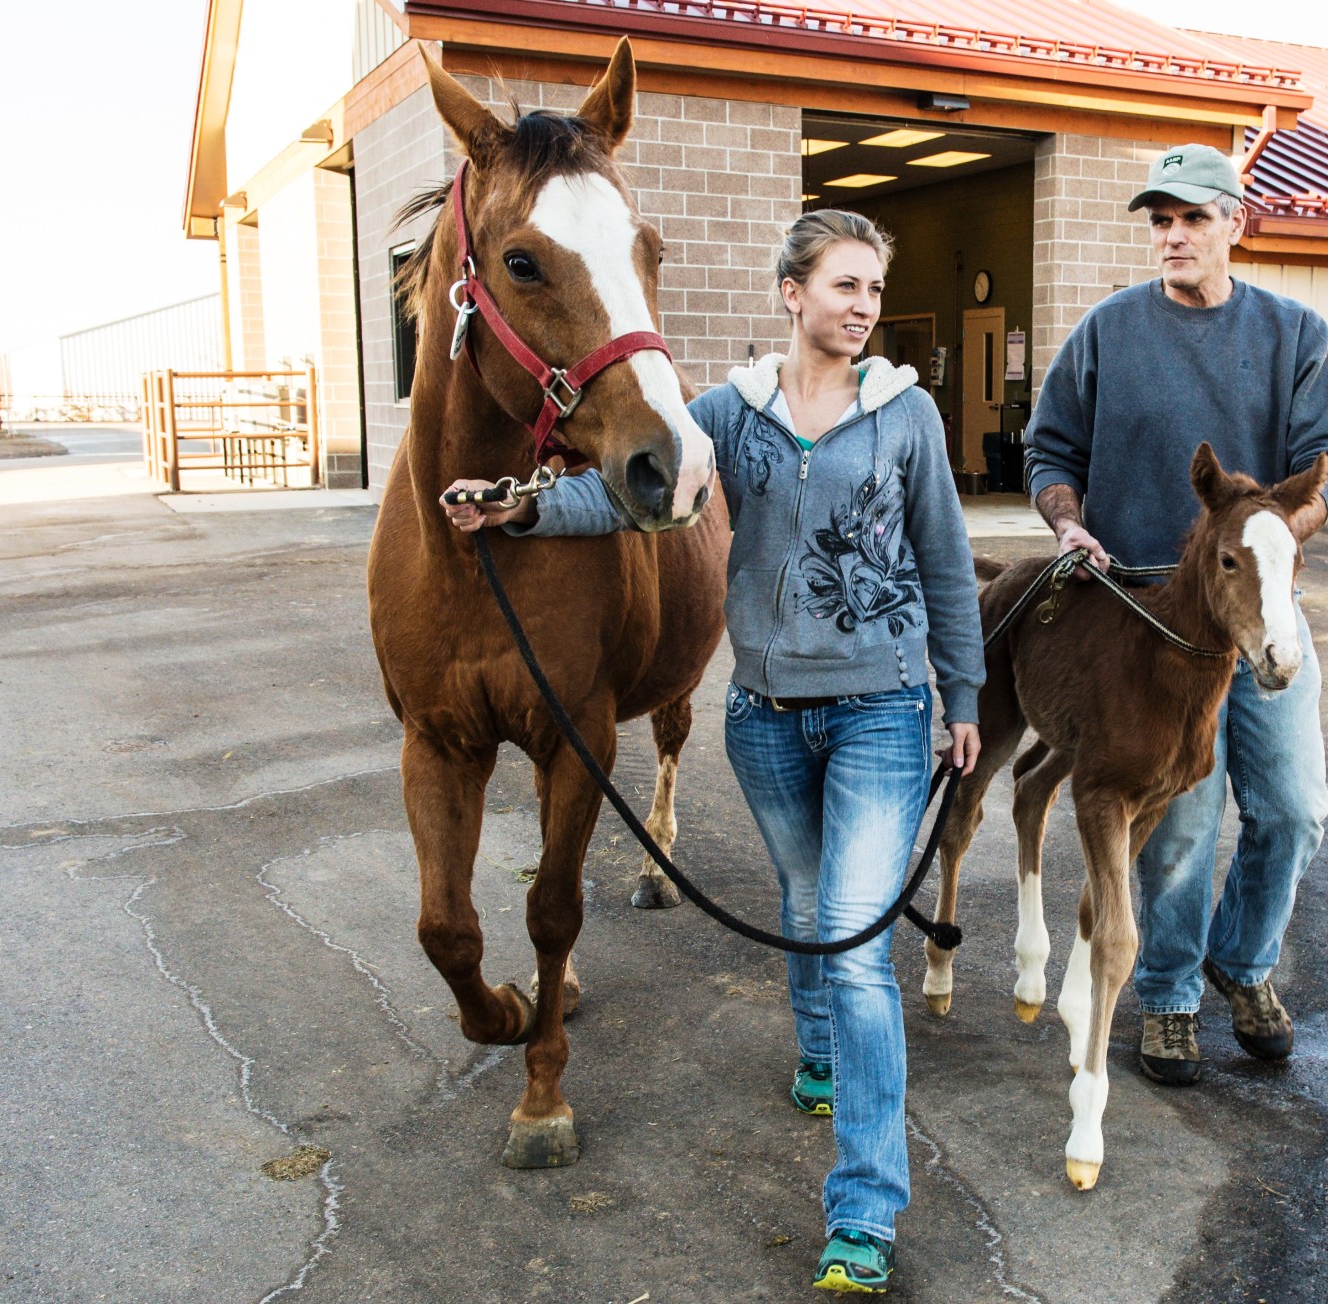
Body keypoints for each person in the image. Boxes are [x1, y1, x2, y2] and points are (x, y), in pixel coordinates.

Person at [442, 209, 984, 1294]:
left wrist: (960, 692)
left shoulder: (908, 411)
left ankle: (865, 1208)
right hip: (767, 714)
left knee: (856, 938)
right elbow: (637, 493)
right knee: (800, 895)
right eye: (844, 284)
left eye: (874, 288)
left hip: (882, 703)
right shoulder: (730, 415)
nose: (864, 304)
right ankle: (816, 1046)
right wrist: (518, 516)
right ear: (793, 292)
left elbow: (946, 553)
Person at [1022, 143, 1328, 1088]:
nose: (1173, 236)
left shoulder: (1295, 334)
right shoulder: (1106, 333)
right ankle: (1168, 995)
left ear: (1234, 226)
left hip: (1258, 613)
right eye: (1160, 222)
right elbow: (1049, 453)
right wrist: (1067, 524)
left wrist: (1267, 534)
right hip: (1144, 624)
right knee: (1175, 821)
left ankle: (1242, 966)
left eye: (1193, 219)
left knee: (1294, 808)